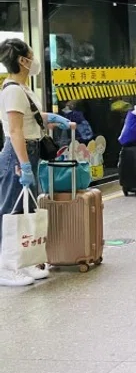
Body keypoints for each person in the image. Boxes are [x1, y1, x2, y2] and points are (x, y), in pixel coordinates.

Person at [0, 38, 74, 287]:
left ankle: (25, 261)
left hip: (28, 151)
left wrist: (53, 118)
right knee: (11, 210)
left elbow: (30, 118)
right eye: (31, 55)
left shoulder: (23, 88)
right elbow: (15, 130)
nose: (35, 60)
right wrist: (25, 164)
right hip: (17, 154)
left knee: (27, 208)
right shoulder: (12, 90)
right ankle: (6, 267)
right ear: (22, 61)